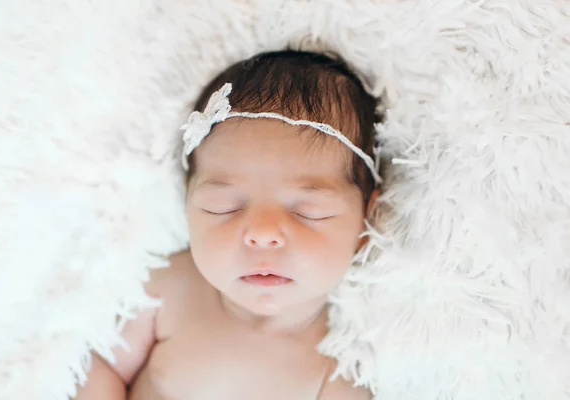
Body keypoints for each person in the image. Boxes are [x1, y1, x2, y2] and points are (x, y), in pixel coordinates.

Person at [74, 49, 382, 400]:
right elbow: (96, 365)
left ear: (367, 220)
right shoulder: (170, 290)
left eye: (309, 212)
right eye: (224, 207)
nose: (262, 235)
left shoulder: (342, 367)